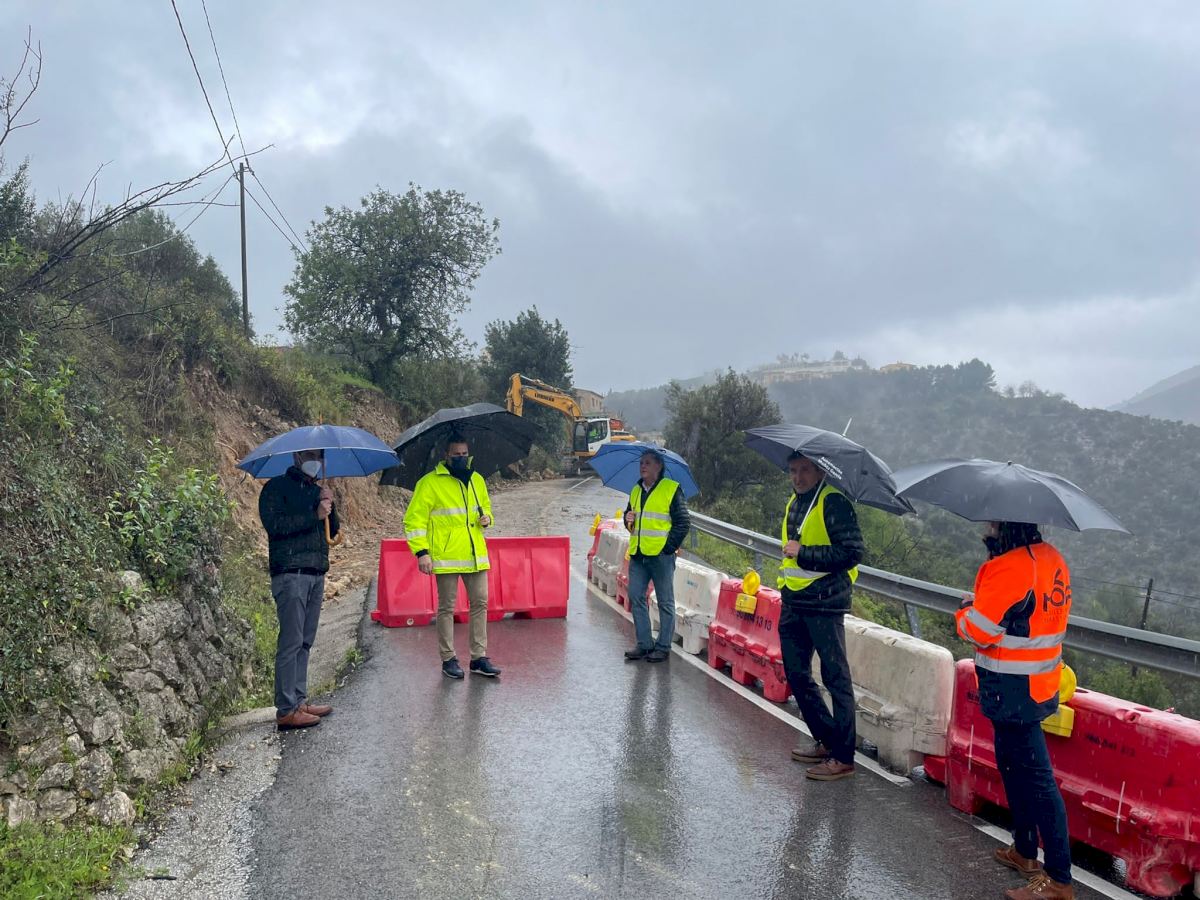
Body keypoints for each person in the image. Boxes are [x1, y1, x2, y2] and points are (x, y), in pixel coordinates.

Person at [957, 522, 1074, 900]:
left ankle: (1058, 880)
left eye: (993, 523)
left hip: (1012, 688)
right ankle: (1024, 850)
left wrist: (965, 611)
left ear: (1006, 526)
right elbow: (1027, 618)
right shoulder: (1052, 558)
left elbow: (979, 630)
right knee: (1012, 766)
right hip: (1038, 684)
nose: (988, 527)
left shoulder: (1009, 567)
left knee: (1037, 780)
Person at [777, 451, 863, 781]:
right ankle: (827, 739)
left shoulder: (833, 502)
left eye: (805, 470)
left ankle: (843, 757)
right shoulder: (795, 502)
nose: (798, 477)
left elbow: (852, 552)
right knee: (796, 674)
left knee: (835, 677)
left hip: (825, 603)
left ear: (820, 472)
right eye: (793, 470)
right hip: (795, 600)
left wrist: (805, 553)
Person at [404, 435, 501, 680]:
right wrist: (422, 552)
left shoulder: (476, 480)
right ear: (446, 455)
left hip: (475, 554)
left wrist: (487, 518)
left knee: (480, 603)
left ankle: (478, 657)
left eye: (464, 454)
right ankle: (448, 659)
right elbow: (414, 520)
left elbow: (487, 508)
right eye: (456, 454)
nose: (461, 458)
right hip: (446, 556)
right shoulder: (429, 483)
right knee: (446, 608)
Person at [258, 448, 338, 730]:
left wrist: (328, 506)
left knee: (305, 640)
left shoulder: (317, 491)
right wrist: (313, 513)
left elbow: (332, 530)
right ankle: (286, 709)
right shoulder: (275, 489)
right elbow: (276, 526)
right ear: (296, 458)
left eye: (319, 456)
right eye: (309, 455)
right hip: (290, 574)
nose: (315, 461)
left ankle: (299, 700)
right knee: (291, 642)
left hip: (316, 573)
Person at [622, 447, 690, 663]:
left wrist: (667, 548)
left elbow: (683, 522)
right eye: (641, 463)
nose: (642, 466)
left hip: (661, 557)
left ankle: (663, 647)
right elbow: (629, 518)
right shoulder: (636, 489)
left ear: (659, 466)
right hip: (638, 554)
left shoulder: (671, 489)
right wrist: (627, 519)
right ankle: (644, 644)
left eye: (648, 463)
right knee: (636, 596)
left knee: (665, 602)